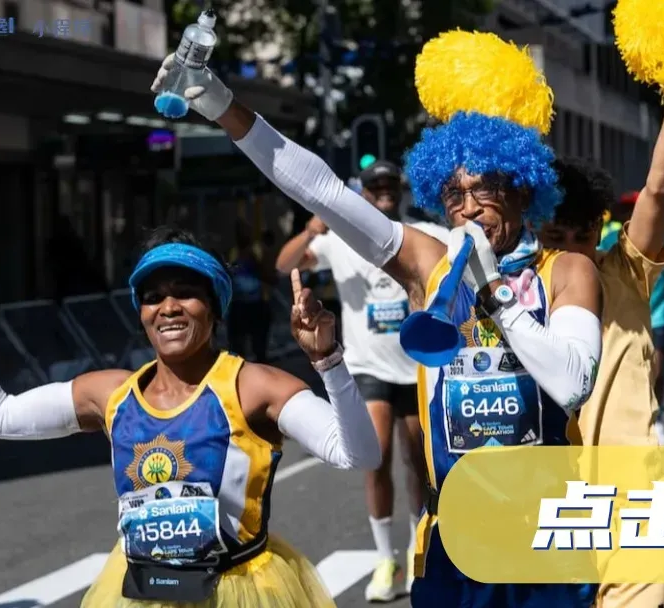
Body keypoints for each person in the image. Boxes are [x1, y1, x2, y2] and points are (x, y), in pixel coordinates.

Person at [149, 31, 604, 606]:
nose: (468, 209)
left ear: (521, 189)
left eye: (484, 190)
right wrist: (220, 105)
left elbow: (572, 383)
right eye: (453, 195)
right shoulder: (429, 264)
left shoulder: (566, 271)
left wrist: (495, 290)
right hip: (457, 540)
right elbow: (322, 190)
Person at [0, 226, 382, 607]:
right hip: (142, 593)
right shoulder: (112, 394)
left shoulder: (254, 386)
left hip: (240, 592)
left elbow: (359, 454)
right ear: (141, 312)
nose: (168, 307)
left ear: (214, 307)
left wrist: (328, 361)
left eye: (185, 292)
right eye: (152, 296)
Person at [274, 159, 448, 601]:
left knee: (418, 462)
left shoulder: (424, 233)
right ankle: (386, 558)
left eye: (391, 184)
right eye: (376, 186)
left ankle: (418, 550)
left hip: (416, 365)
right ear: (363, 194)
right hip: (367, 367)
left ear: (400, 192)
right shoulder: (339, 239)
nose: (384, 190)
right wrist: (312, 230)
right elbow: (283, 263)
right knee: (376, 455)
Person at [538, 117, 664, 606]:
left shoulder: (626, 272)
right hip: (549, 511)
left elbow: (658, 190)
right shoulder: (518, 295)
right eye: (556, 236)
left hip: (635, 503)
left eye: (583, 235)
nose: (571, 249)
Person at [597, 192, 664, 447]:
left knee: (655, 371)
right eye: (627, 210)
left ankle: (658, 418)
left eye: (635, 209)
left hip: (657, 314)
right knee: (633, 374)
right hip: (624, 319)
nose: (632, 214)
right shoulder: (610, 239)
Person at [228, 223, 274, 363]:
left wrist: (255, 262)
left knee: (259, 346)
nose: (242, 235)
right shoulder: (233, 252)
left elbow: (270, 275)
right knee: (237, 346)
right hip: (239, 305)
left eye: (244, 232)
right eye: (239, 232)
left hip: (258, 304)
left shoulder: (258, 251)